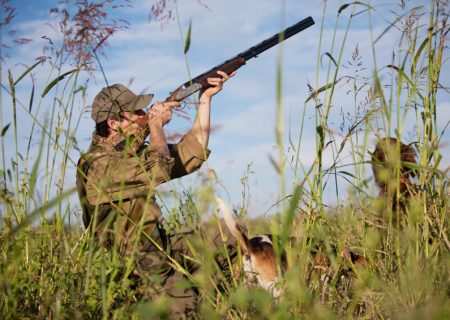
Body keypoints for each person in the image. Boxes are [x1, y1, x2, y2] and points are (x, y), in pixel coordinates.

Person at [76, 71, 236, 318]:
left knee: (233, 233)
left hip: (160, 246)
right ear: (113, 122)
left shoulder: (133, 153)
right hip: (136, 265)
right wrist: (155, 126)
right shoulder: (96, 165)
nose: (144, 114)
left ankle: (209, 290)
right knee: (190, 312)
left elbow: (192, 155)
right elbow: (159, 167)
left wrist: (205, 99)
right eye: (137, 113)